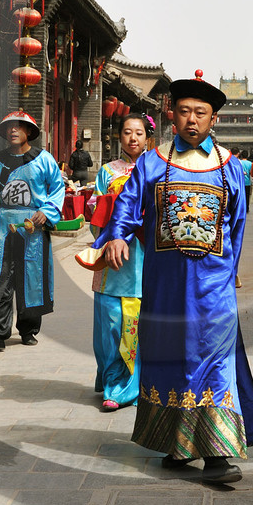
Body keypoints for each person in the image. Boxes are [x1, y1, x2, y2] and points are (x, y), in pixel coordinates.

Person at [94, 71, 253, 483]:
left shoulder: (230, 167)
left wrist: (231, 272)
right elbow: (127, 206)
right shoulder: (153, 163)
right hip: (166, 286)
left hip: (213, 287)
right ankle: (176, 445)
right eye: (185, 111)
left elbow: (237, 225)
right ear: (172, 116)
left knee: (213, 360)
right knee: (171, 359)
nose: (192, 119)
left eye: (201, 113)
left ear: (213, 119)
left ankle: (216, 453)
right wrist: (117, 235)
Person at [83, 112, 151, 410]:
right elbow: (95, 210)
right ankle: (112, 379)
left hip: (144, 257)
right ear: (119, 136)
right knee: (110, 323)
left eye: (139, 132)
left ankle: (129, 386)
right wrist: (109, 232)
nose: (133, 138)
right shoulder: (108, 171)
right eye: (127, 132)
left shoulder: (157, 168)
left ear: (147, 138)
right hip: (113, 256)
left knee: (136, 323)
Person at [0, 110, 65, 348]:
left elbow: (57, 189)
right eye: (9, 127)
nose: (13, 130)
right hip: (3, 223)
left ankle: (28, 329)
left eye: (19, 126)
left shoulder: (44, 159)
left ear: (29, 131)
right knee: (0, 274)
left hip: (33, 226)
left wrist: (47, 211)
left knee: (31, 276)